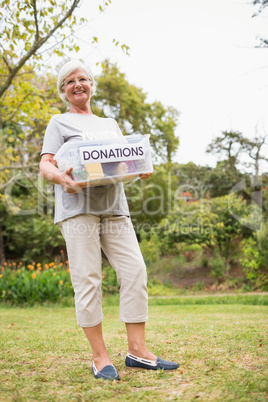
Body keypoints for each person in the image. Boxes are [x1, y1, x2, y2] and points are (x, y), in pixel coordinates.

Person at [39, 60, 179, 380]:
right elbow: (45, 165)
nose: (78, 84)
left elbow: (122, 163)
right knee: (89, 280)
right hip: (78, 209)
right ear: (64, 90)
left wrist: (139, 167)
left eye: (83, 79)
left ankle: (138, 351)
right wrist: (62, 178)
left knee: (135, 271)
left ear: (92, 86)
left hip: (115, 206)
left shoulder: (110, 124)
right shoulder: (58, 122)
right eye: (70, 81)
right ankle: (101, 357)